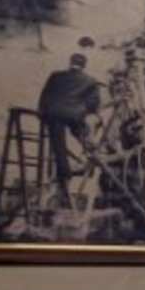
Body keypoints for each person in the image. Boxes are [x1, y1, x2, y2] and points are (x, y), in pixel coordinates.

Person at [34, 41, 100, 211]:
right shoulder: (90, 81)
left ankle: (64, 173)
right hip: (73, 116)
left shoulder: (55, 75)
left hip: (53, 114)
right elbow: (93, 105)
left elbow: (44, 96)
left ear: (70, 63)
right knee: (81, 131)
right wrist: (80, 111)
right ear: (84, 66)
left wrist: (43, 114)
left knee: (58, 146)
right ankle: (92, 152)